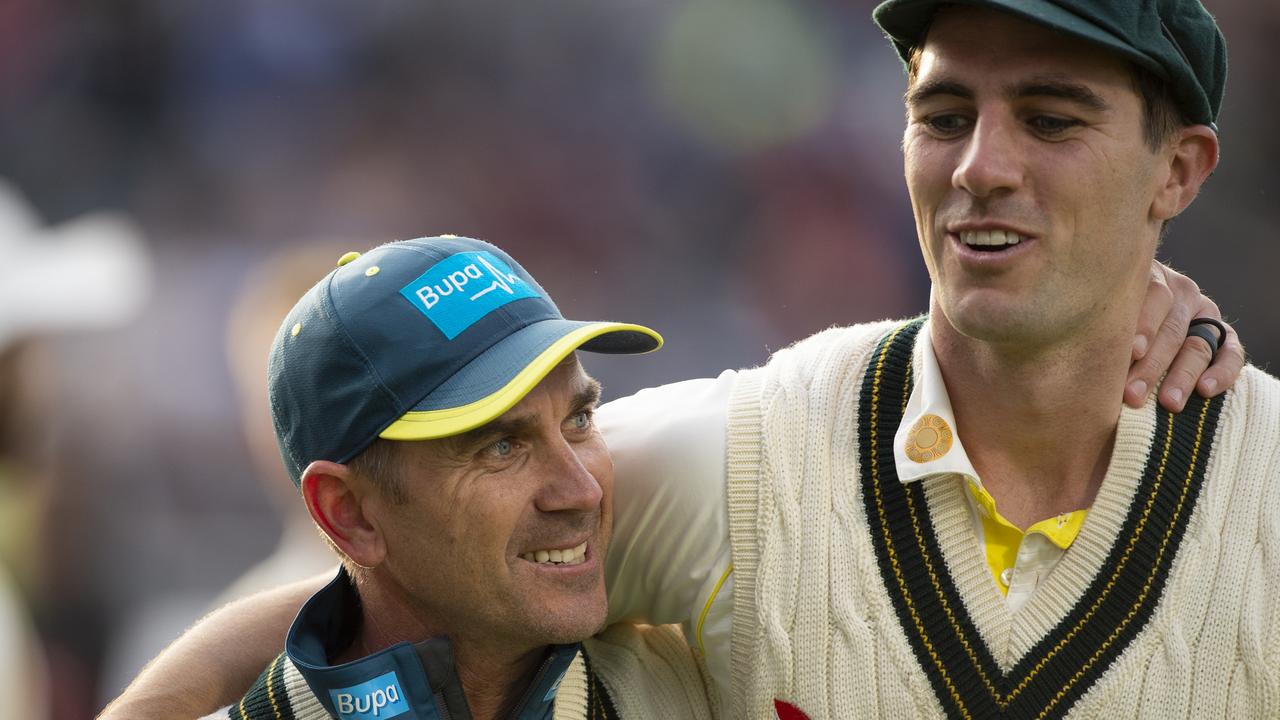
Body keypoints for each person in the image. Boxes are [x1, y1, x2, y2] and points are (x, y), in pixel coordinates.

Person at [100, 2, 1264, 719]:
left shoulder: (1260, 490)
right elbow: (393, 579)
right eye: (943, 113)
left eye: (1052, 120)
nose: (977, 166)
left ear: (1178, 170)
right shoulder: (744, 456)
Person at [137, 235, 713, 719]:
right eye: (502, 446)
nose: (582, 491)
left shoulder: (709, 690)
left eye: (579, 419)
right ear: (349, 513)